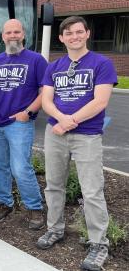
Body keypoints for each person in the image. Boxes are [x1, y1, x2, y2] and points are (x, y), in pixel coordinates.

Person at [36, 16, 117, 271]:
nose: (74, 37)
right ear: (61, 38)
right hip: (55, 133)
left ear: (87, 34)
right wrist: (61, 120)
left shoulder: (101, 63)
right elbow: (47, 100)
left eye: (78, 32)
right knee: (53, 185)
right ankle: (55, 229)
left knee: (92, 190)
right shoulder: (54, 67)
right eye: (68, 33)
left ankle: (98, 243)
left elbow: (100, 101)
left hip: (87, 135)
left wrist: (70, 121)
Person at [0, 19, 47, 229]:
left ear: (23, 34)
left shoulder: (36, 60)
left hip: (19, 123)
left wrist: (28, 112)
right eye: (8, 32)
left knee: (20, 168)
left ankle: (34, 208)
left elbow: (45, 92)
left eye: (16, 32)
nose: (12, 35)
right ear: (2, 36)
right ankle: (4, 203)